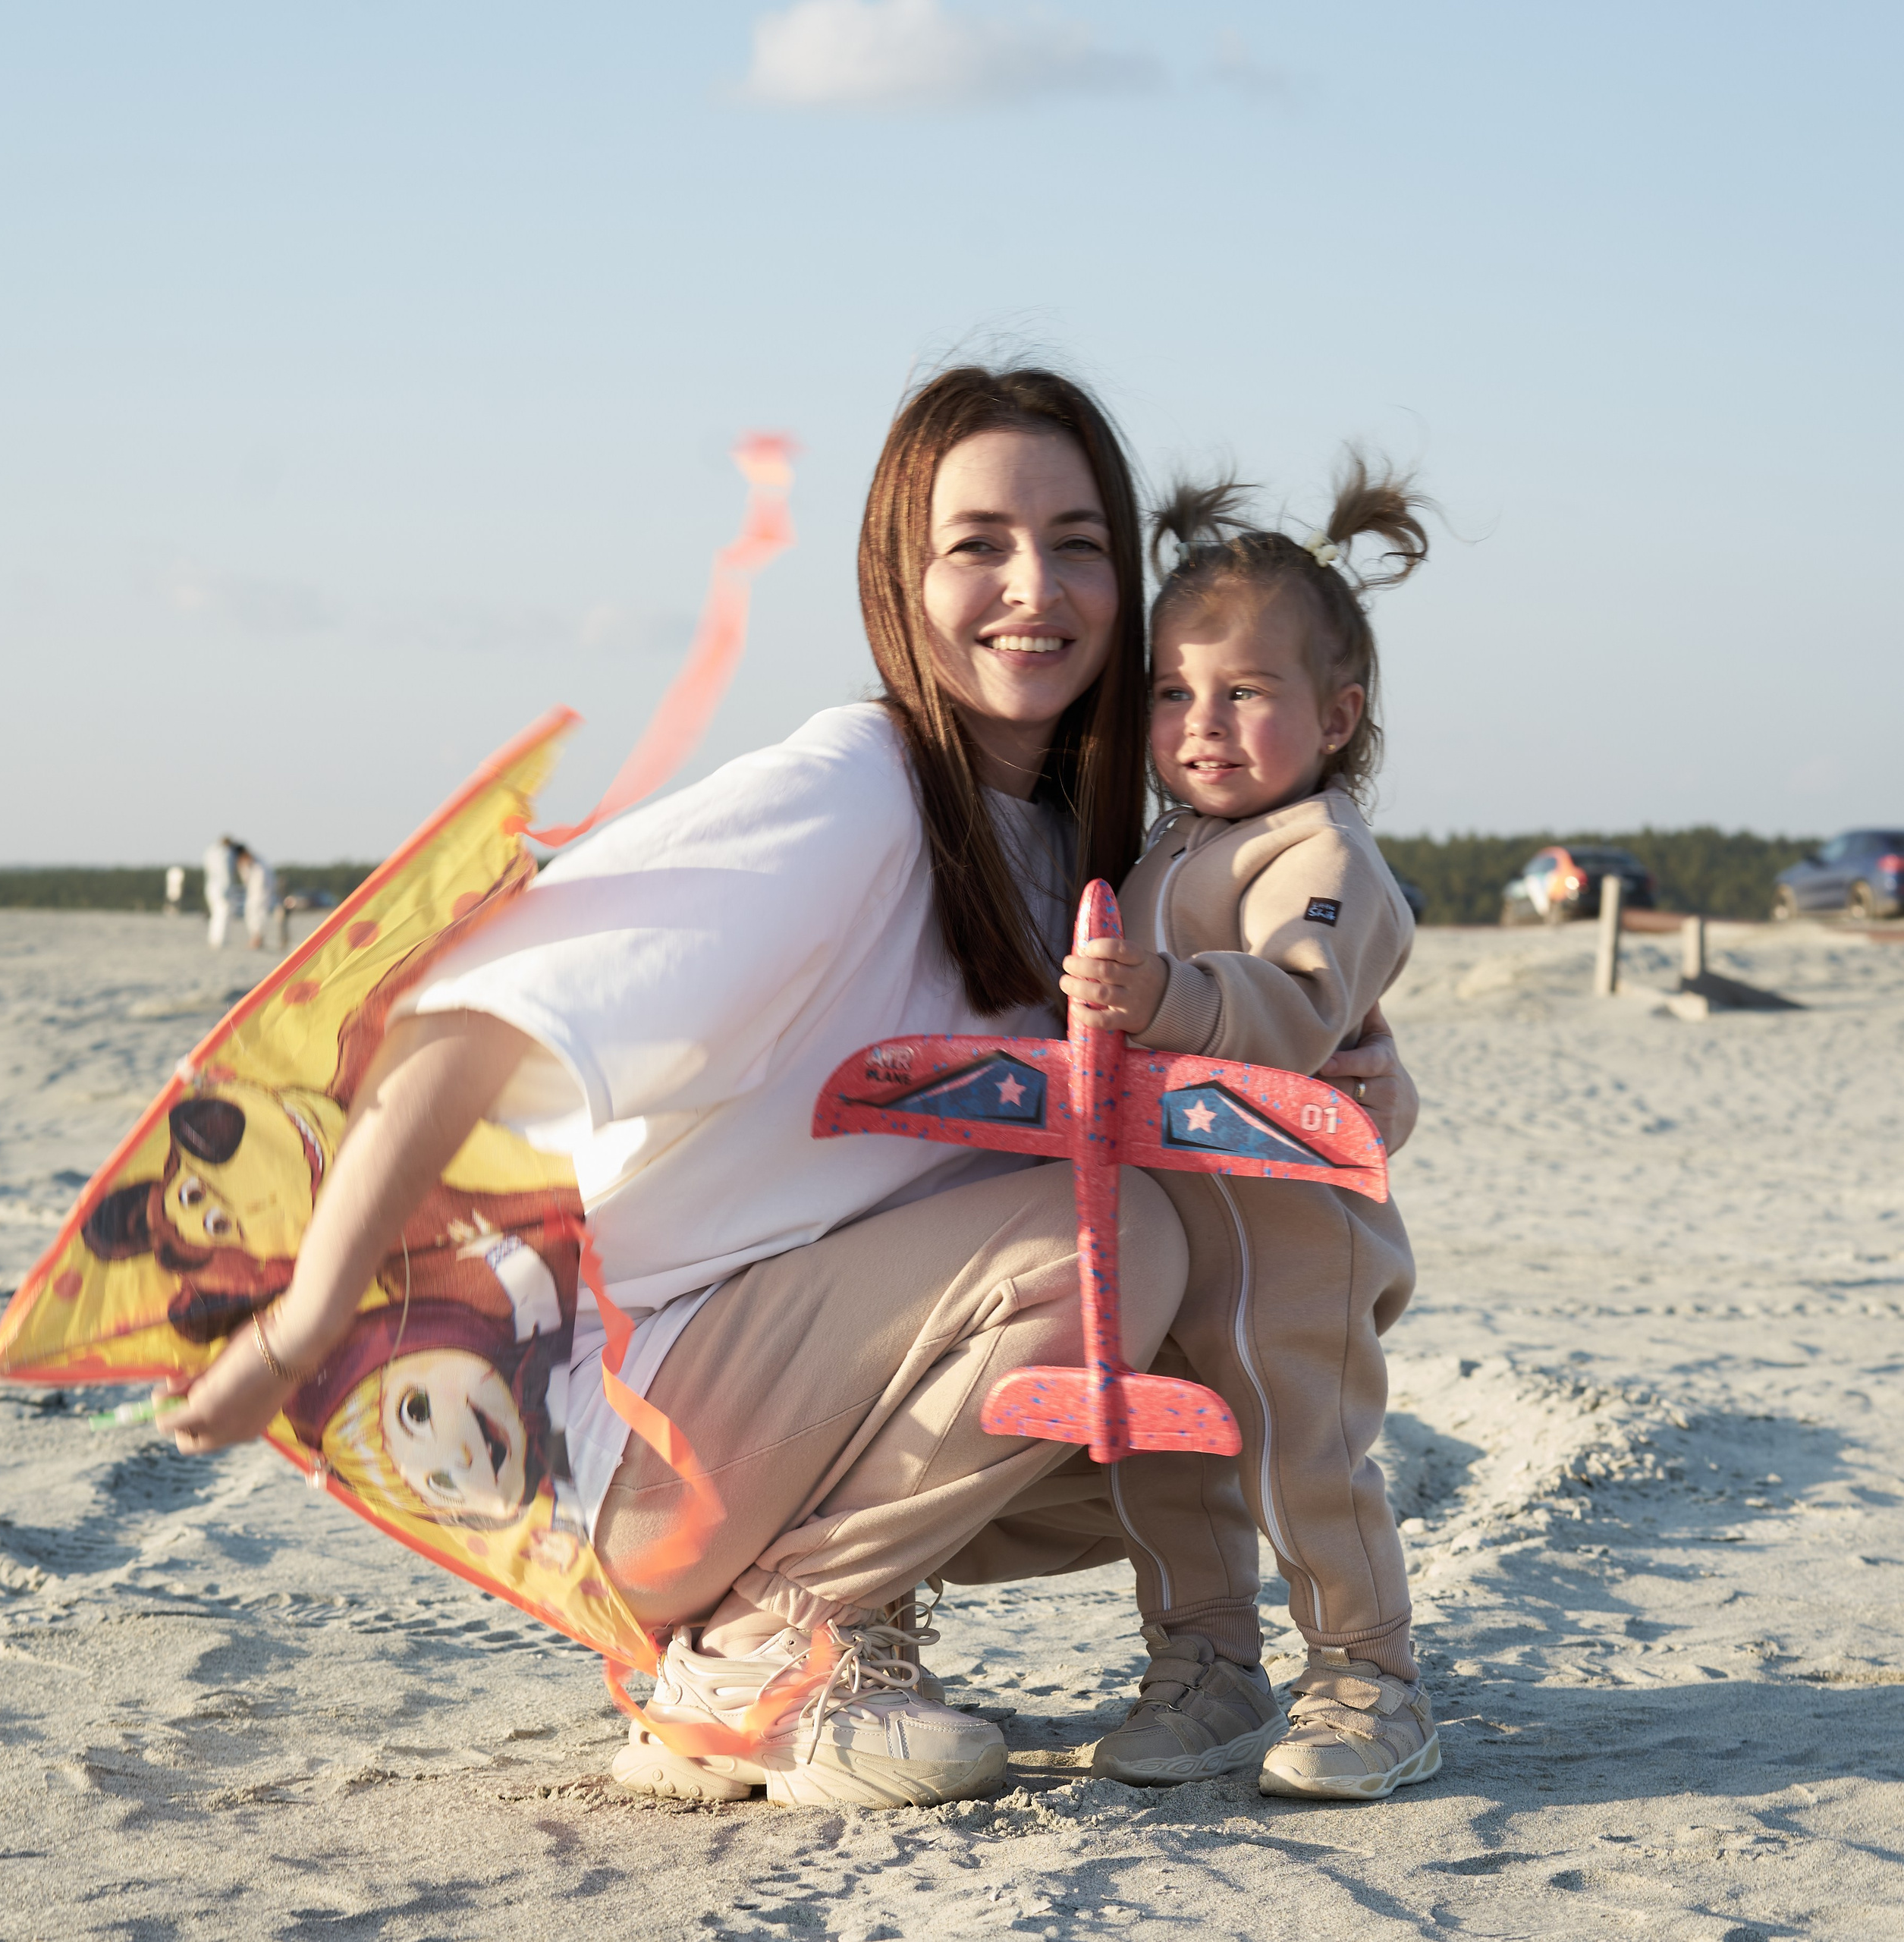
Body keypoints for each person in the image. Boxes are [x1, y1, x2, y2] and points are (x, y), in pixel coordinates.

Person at [158, 366, 1420, 1813]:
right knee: (1122, 1239)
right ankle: (768, 1651)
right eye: (977, 544)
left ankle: (893, 1621)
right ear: (896, 570)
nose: (1035, 585)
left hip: (781, 1411)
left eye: (1078, 542)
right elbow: (473, 1014)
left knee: (1204, 1339)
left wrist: (1336, 1071)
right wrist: (314, 1307)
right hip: (639, 1447)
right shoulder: (856, 788)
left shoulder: (1078, 844)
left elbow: (1247, 1008)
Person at [1057, 460, 1437, 1800]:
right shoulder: (1165, 849)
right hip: (1164, 1226)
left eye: (1245, 693)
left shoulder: (1327, 858)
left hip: (1295, 1235)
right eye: (1173, 692)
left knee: (1304, 1454)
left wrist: (1167, 996)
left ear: (1337, 717)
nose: (1201, 724)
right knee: (1168, 1458)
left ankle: (1368, 1678)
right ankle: (1208, 1666)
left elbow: (1296, 1002)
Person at [237, 844, 277, 951]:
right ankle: (257, 938)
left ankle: (257, 939)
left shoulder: (257, 863)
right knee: (253, 914)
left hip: (261, 892)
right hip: (256, 893)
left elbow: (261, 880)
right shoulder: (254, 863)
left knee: (258, 914)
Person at [203, 837, 236, 949]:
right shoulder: (227, 854)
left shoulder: (210, 851)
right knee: (223, 913)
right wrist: (227, 891)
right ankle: (220, 940)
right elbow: (226, 873)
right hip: (222, 887)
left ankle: (213, 939)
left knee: (215, 914)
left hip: (211, 887)